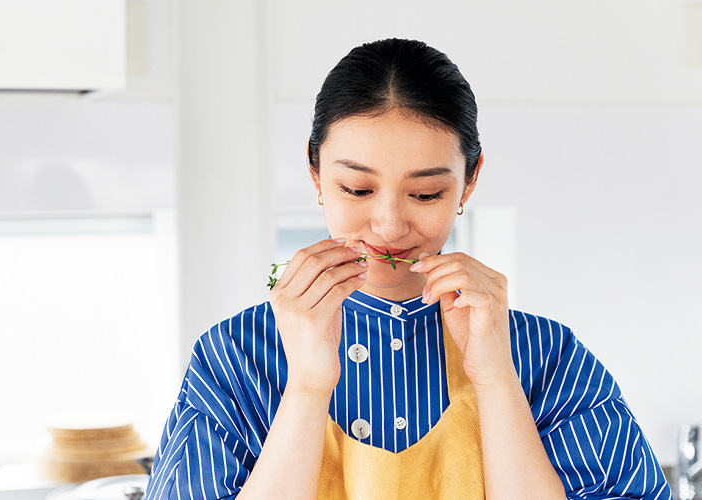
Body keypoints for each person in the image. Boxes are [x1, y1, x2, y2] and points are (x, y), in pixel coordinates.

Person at [144, 38, 672, 499]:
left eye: (425, 192)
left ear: (468, 182)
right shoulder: (233, 358)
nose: (390, 225)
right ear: (315, 173)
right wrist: (306, 385)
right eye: (357, 189)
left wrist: (495, 379)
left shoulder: (548, 357)